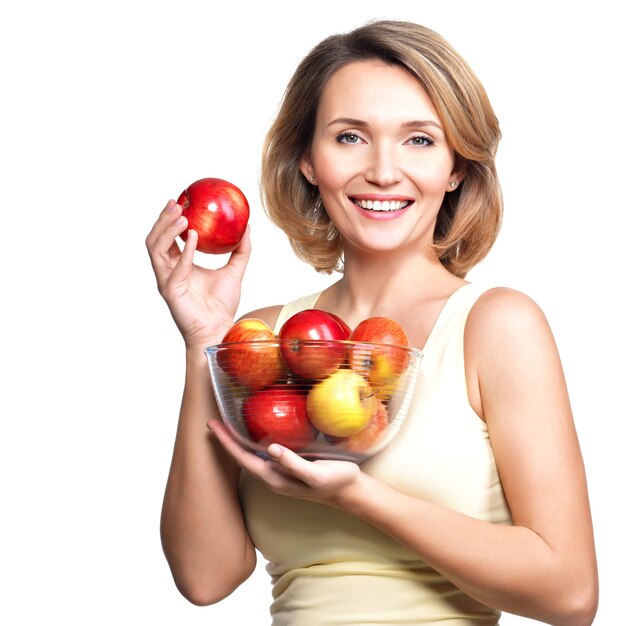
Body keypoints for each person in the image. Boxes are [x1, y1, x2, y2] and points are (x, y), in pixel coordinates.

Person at [146, 20, 598, 626]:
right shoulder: (265, 341)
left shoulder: (496, 327)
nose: (384, 172)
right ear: (307, 160)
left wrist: (364, 498)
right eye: (351, 137)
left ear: (457, 167)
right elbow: (206, 578)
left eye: (419, 140)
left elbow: (569, 594)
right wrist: (204, 342)